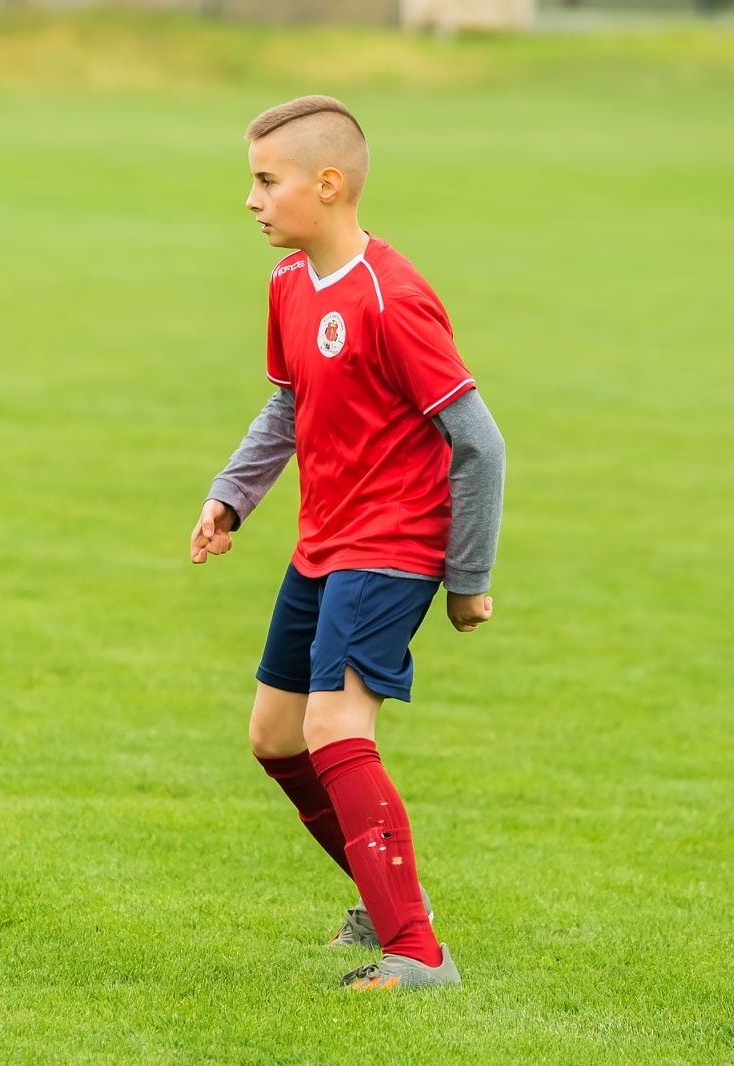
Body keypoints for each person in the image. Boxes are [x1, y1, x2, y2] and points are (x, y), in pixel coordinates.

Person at [189, 95, 506, 991]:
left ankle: (418, 955)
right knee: (276, 736)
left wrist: (467, 578)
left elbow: (479, 442)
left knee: (334, 725)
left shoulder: (393, 298)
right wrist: (232, 496)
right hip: (321, 543)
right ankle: (387, 900)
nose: (251, 201)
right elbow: (290, 406)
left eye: (265, 180)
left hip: (393, 544)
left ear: (327, 186)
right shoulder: (291, 286)